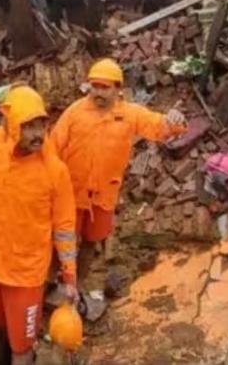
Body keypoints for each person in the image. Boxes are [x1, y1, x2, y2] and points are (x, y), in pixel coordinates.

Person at [0, 86, 78, 365]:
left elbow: (64, 227)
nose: (37, 134)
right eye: (28, 126)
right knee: (0, 328)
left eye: (41, 125)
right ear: (12, 125)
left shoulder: (55, 171)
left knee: (22, 348)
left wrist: (70, 277)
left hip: (26, 276)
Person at [51, 59, 187, 289]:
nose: (98, 92)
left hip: (103, 194)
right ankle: (54, 282)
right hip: (71, 193)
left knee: (91, 243)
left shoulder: (130, 114)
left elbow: (158, 127)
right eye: (95, 86)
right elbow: (52, 147)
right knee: (62, 241)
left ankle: (78, 286)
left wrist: (174, 121)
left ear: (118, 89)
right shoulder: (74, 112)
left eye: (105, 87)